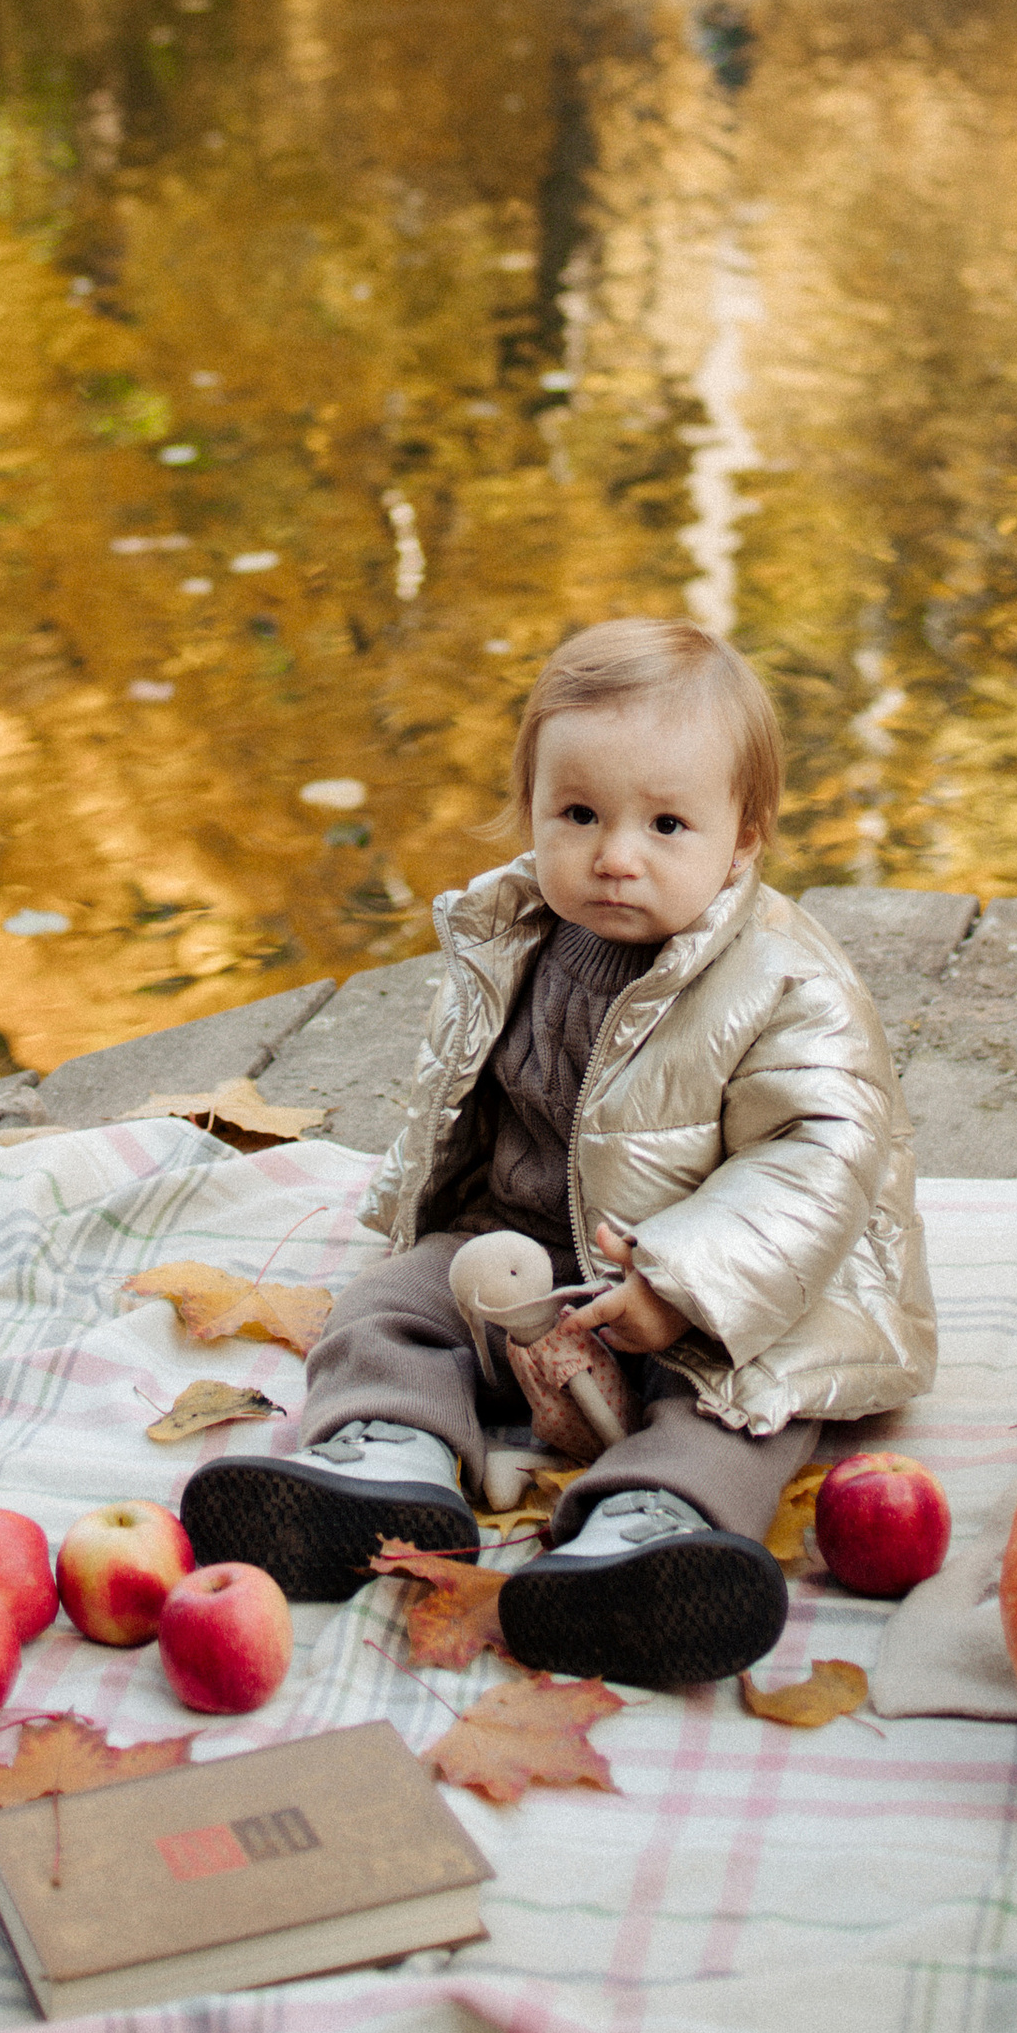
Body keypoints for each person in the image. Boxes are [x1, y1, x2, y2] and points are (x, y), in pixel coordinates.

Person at [182, 617, 935, 1688]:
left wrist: (679, 1283)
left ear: (744, 835)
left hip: (720, 1282)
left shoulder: (783, 980)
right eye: (577, 813)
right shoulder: (512, 934)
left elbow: (817, 1157)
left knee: (748, 1400)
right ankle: (386, 1461)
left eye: (666, 824)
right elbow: (469, 1099)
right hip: (527, 1251)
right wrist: (439, 1219)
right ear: (531, 805)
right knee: (387, 1304)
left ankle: (653, 1532)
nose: (613, 855)